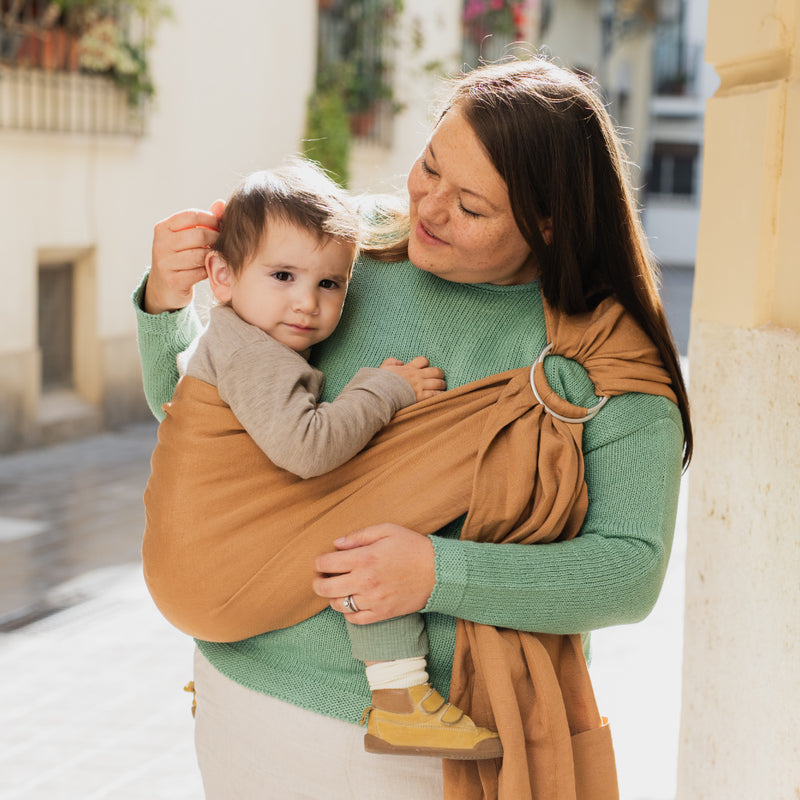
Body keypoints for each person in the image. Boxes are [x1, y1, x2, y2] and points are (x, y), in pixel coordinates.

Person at [134, 56, 691, 800]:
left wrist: (435, 573)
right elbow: (197, 424)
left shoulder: (603, 360)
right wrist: (165, 307)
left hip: (426, 750)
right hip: (241, 701)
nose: (427, 207)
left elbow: (629, 572)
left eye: (471, 207)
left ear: (549, 222)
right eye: (429, 167)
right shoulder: (344, 251)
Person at [157, 158, 503, 760]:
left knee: (362, 516)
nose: (306, 303)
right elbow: (307, 448)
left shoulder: (235, 339)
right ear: (222, 276)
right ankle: (399, 696)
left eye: (330, 284)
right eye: (283, 275)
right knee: (373, 524)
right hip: (210, 568)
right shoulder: (251, 354)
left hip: (191, 567)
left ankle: (398, 698)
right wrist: (382, 390)